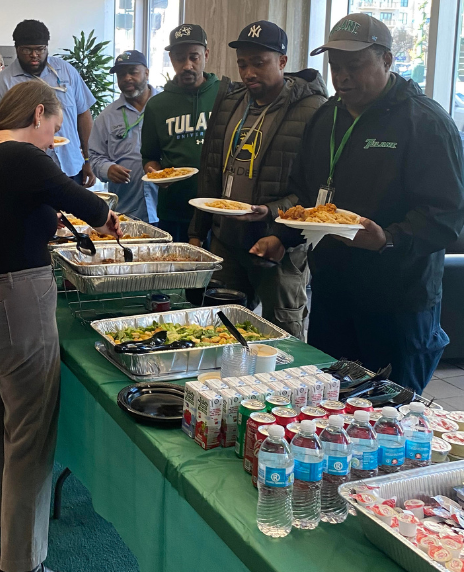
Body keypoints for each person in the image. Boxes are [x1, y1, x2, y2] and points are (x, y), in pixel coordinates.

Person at [0, 80, 120, 572]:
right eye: (54, 129)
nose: (51, 140)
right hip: (14, 301)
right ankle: (21, 569)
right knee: (30, 434)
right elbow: (88, 206)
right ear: (38, 114)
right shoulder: (22, 156)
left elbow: (12, 212)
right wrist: (107, 220)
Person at [251, 14, 464, 391]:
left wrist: (389, 239)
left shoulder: (426, 123)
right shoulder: (326, 117)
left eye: (355, 65)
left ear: (387, 60)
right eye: (335, 66)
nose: (342, 77)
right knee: (330, 401)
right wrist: (282, 238)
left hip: (397, 302)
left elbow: (446, 215)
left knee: (391, 408)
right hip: (333, 294)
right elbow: (306, 195)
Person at [187, 21, 327, 338]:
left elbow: (317, 189)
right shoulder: (231, 101)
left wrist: (274, 218)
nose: (249, 73)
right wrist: (197, 232)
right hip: (226, 239)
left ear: (282, 61)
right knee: (221, 331)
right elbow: (211, 171)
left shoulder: (312, 109)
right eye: (242, 64)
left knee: (283, 336)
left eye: (259, 63)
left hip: (277, 244)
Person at [0, 19, 97, 187]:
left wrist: (88, 159)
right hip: (28, 173)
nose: (34, 55)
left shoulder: (66, 72)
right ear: (17, 49)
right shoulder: (2, 83)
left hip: (71, 167)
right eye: (27, 50)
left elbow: (83, 114)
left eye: (40, 49)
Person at [141, 23, 219, 241]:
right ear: (171, 58)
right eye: (179, 58)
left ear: (206, 55)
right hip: (174, 210)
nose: (187, 65)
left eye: (194, 57)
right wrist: (155, 174)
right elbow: (149, 156)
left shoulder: (225, 96)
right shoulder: (157, 106)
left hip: (219, 210)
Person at [89, 50, 159, 223]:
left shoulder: (166, 106)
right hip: (128, 211)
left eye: (133, 72)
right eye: (121, 74)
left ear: (146, 73)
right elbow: (95, 156)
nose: (127, 78)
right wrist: (107, 169)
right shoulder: (107, 117)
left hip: (166, 207)